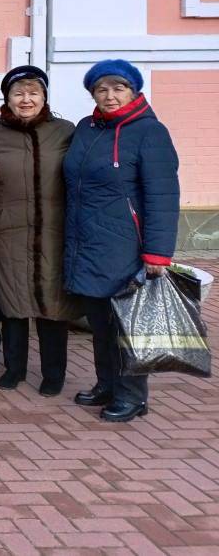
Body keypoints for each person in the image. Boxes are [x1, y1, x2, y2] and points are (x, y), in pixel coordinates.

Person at [63, 59, 181, 422]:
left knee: (127, 325)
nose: (110, 96)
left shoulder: (150, 132)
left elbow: (163, 196)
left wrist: (157, 254)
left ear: (133, 91)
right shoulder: (86, 128)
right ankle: (107, 384)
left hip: (125, 247)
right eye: (101, 89)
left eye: (118, 88)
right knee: (100, 323)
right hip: (87, 242)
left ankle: (132, 396)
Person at [0, 66, 80, 396]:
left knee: (53, 304)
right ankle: (14, 368)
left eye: (34, 93)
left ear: (44, 97)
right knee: (12, 303)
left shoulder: (65, 132)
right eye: (18, 93)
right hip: (6, 232)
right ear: (7, 98)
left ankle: (54, 373)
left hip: (54, 231)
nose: (26, 99)